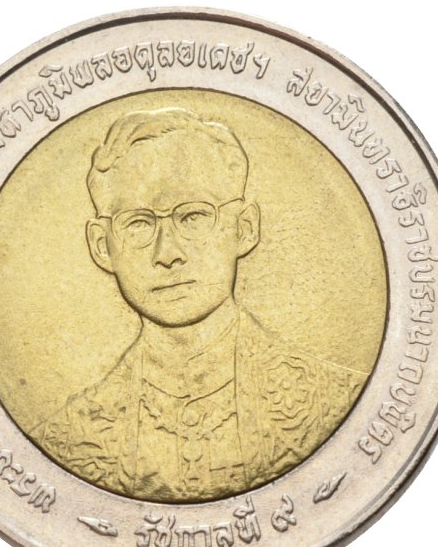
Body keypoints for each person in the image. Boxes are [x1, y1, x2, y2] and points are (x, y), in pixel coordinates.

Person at [34, 108, 367, 502]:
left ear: (244, 228)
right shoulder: (69, 439)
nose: (167, 253)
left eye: (193, 217)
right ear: (102, 246)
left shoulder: (336, 403)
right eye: (138, 223)